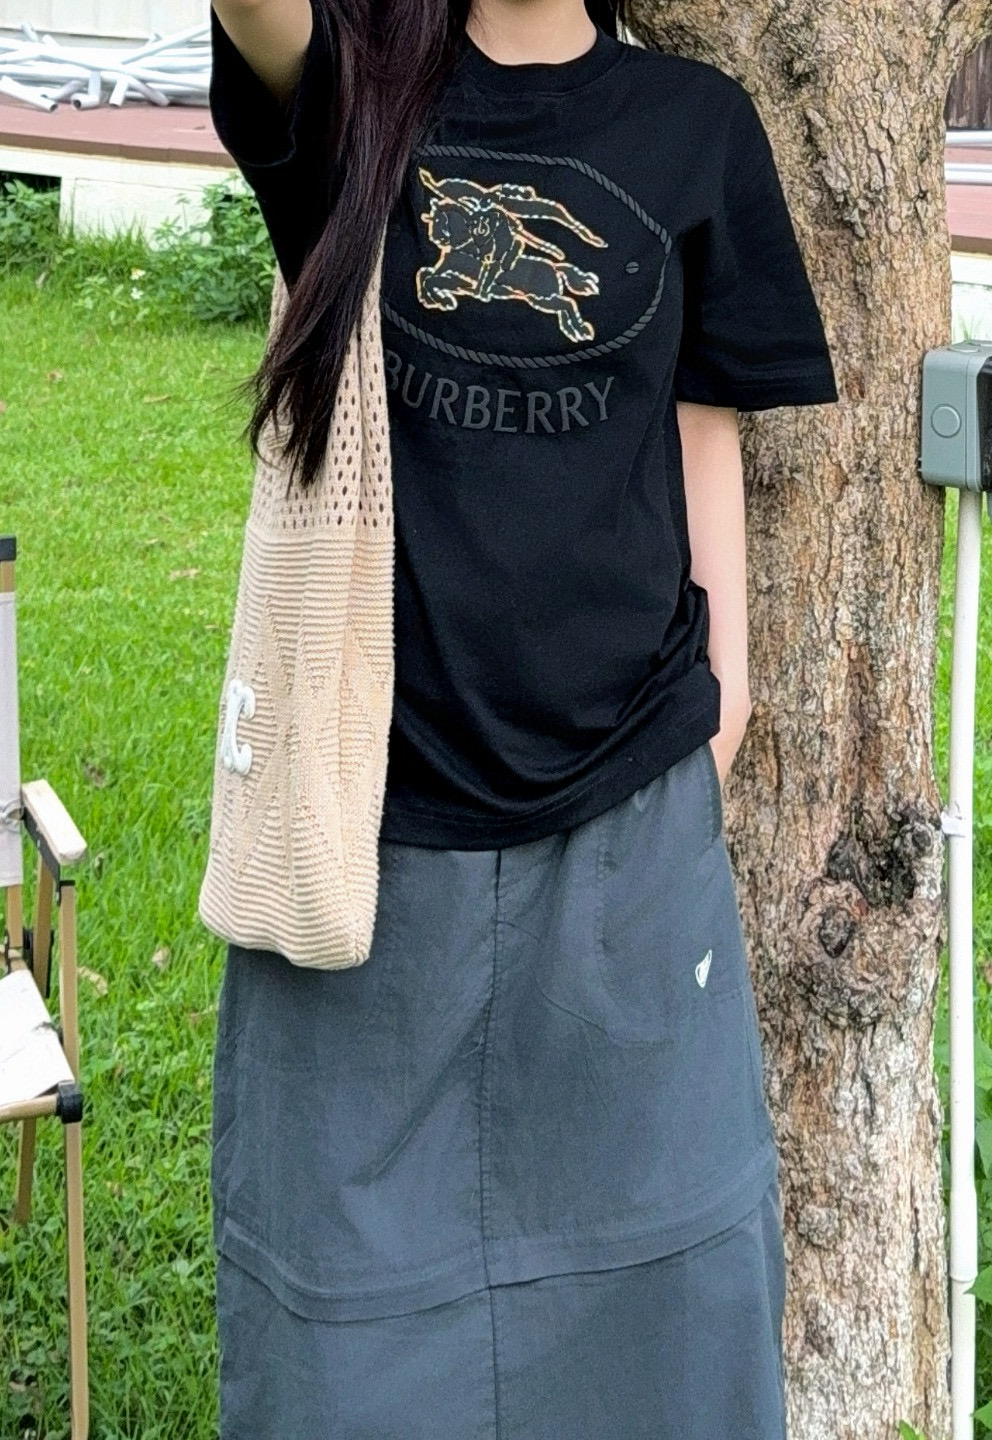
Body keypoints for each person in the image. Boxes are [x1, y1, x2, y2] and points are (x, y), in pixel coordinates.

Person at [205, 0, 840, 1434]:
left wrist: (724, 700)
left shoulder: (696, 126)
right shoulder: (359, 92)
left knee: (669, 1343)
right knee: (342, 1360)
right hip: (370, 865)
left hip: (628, 862)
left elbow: (704, 444)